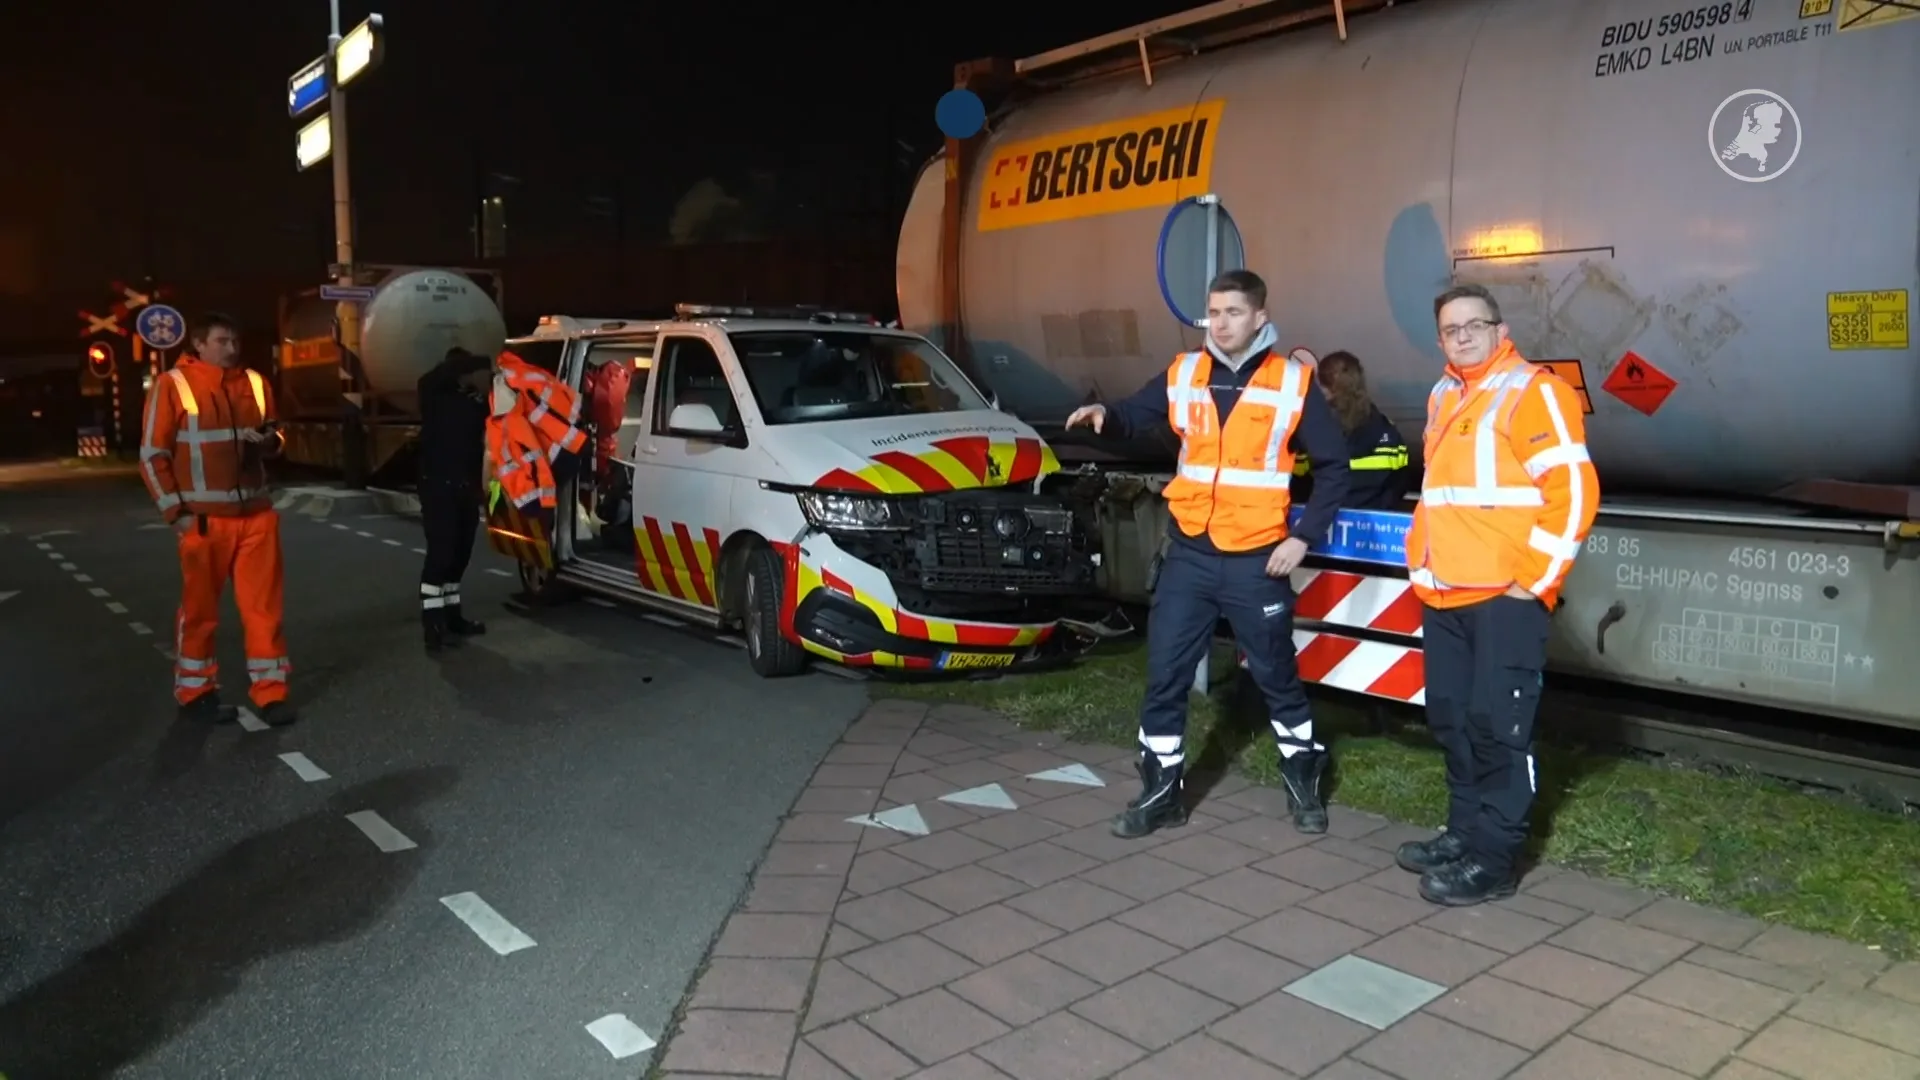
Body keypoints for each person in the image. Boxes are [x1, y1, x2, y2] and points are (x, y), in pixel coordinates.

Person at [1066, 269, 1353, 837]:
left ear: (1260, 318)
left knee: (1275, 675)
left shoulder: (1293, 383)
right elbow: (1136, 412)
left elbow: (1335, 468)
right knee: (1165, 673)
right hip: (1191, 554)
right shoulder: (1186, 371)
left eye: (1233, 313)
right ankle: (1161, 792)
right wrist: (1107, 417)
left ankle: (1304, 777)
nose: (1220, 324)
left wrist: (1303, 537)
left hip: (1256, 557)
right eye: (1213, 313)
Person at [1396, 283, 1599, 906]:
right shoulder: (1444, 393)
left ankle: (1495, 858)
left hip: (1503, 598)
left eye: (1472, 325)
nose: (1461, 336)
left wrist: (1529, 585)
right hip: (1445, 593)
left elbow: (1574, 496)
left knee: (1499, 727)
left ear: (1499, 328)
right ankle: (1463, 833)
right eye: (1449, 329)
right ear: (1440, 340)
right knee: (1453, 720)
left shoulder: (1535, 392)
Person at [138, 312, 297, 726]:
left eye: (235, 341)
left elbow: (278, 435)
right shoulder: (172, 385)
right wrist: (177, 515)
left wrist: (270, 443)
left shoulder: (257, 383)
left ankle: (271, 693)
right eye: (223, 341)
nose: (232, 348)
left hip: (257, 517)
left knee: (264, 611)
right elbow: (152, 456)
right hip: (204, 520)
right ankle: (196, 693)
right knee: (199, 611)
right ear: (200, 344)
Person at [416, 347, 495, 650]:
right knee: (441, 553)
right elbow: (433, 377)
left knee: (460, 555)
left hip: (465, 489)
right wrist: (477, 364)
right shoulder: (433, 396)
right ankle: (432, 624)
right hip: (438, 487)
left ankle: (453, 617)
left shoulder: (473, 404)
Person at [1291, 350, 1421, 511]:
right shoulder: (1384, 430)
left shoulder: (1315, 427)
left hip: (1324, 522)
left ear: (1325, 387)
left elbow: (1298, 478)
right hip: (1371, 524)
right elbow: (1399, 480)